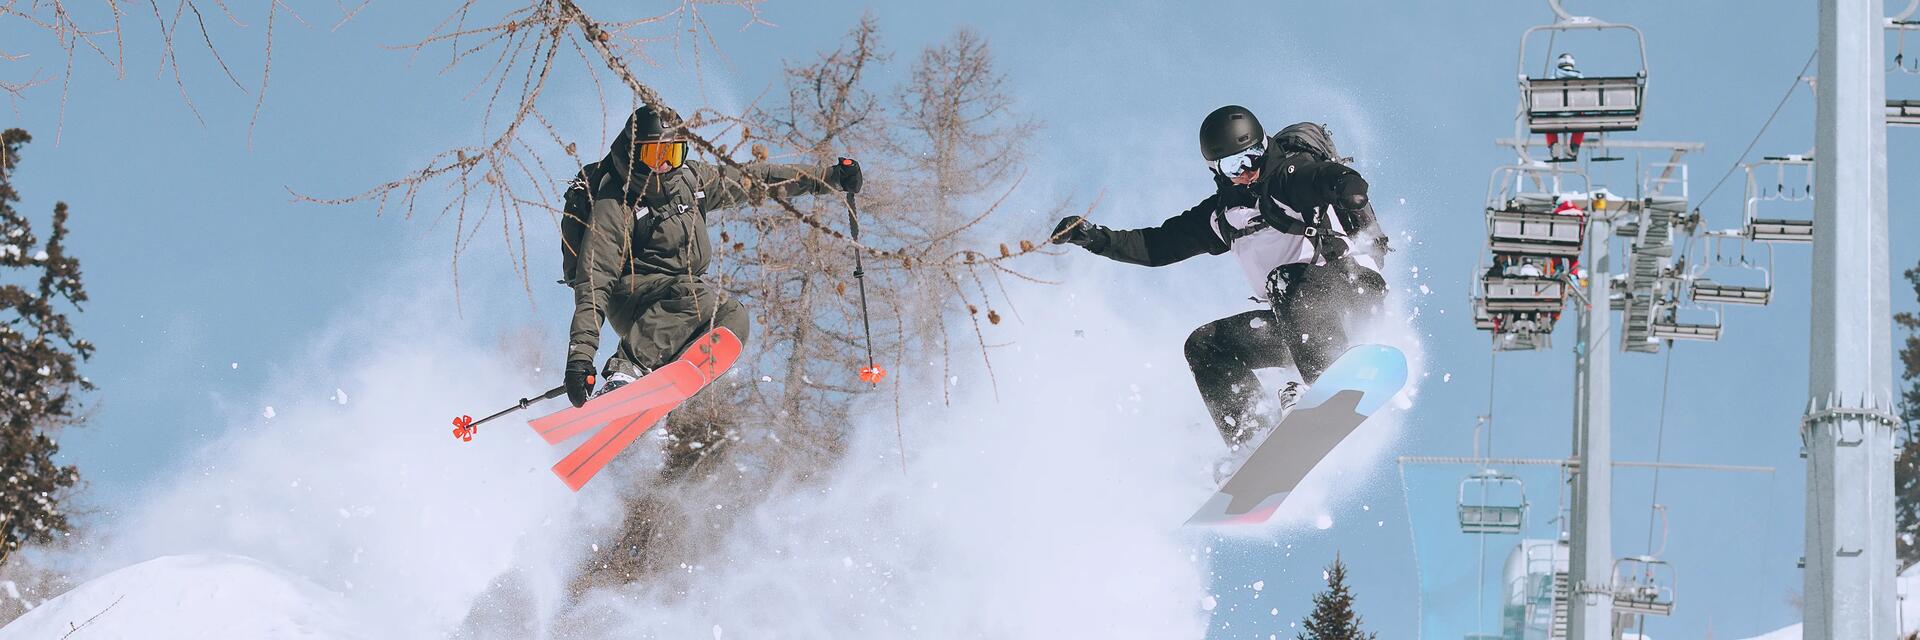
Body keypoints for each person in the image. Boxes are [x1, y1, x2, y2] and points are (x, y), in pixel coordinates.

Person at [1050, 105, 1388, 465]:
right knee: (1205, 346)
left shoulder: (1287, 178)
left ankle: (1325, 385)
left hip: (1350, 291)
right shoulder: (1222, 217)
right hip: (1299, 323)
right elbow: (1158, 244)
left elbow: (1322, 177)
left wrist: (1347, 187)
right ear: (1216, 170)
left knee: (1284, 280)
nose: (1248, 171)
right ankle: (1253, 438)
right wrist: (1096, 239)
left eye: (1254, 156)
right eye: (1234, 165)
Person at [560, 105, 863, 407]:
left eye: (673, 154)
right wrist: (581, 356)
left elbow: (757, 180)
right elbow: (594, 282)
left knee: (733, 318)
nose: (665, 164)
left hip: (679, 299)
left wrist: (827, 178)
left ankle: (670, 380)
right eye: (655, 154)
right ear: (634, 152)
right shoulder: (616, 203)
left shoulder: (692, 182)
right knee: (698, 298)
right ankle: (626, 371)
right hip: (632, 297)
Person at [1545, 53, 1586, 163]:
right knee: (1583, 121)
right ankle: (1574, 147)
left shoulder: (1553, 76)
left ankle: (1553, 145)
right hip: (1575, 115)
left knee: (1547, 121)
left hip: (1556, 114)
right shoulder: (1579, 77)